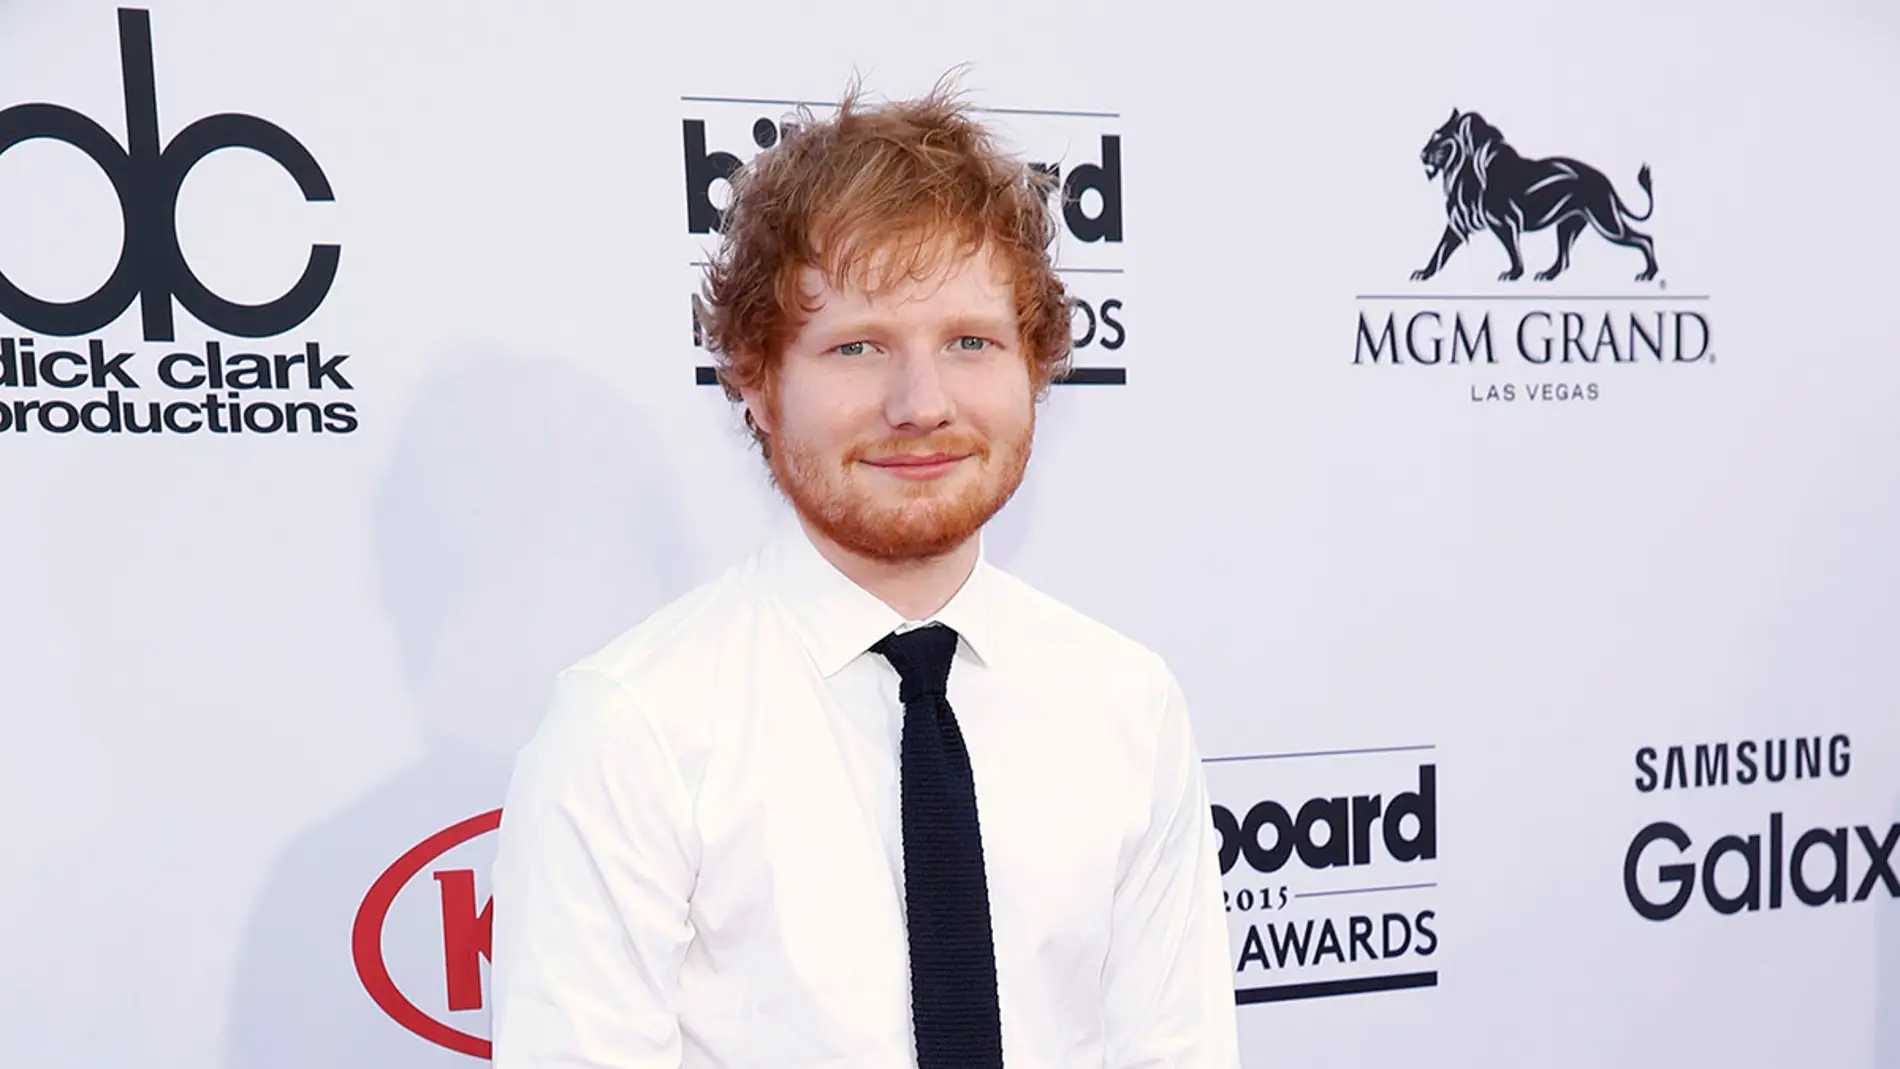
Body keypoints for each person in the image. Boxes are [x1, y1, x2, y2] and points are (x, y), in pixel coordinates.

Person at [490, 79, 1241, 1069]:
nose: (921, 402)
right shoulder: (633, 731)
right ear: (756, 379)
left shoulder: (1126, 701)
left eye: (970, 342)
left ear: (1037, 366)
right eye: (857, 348)